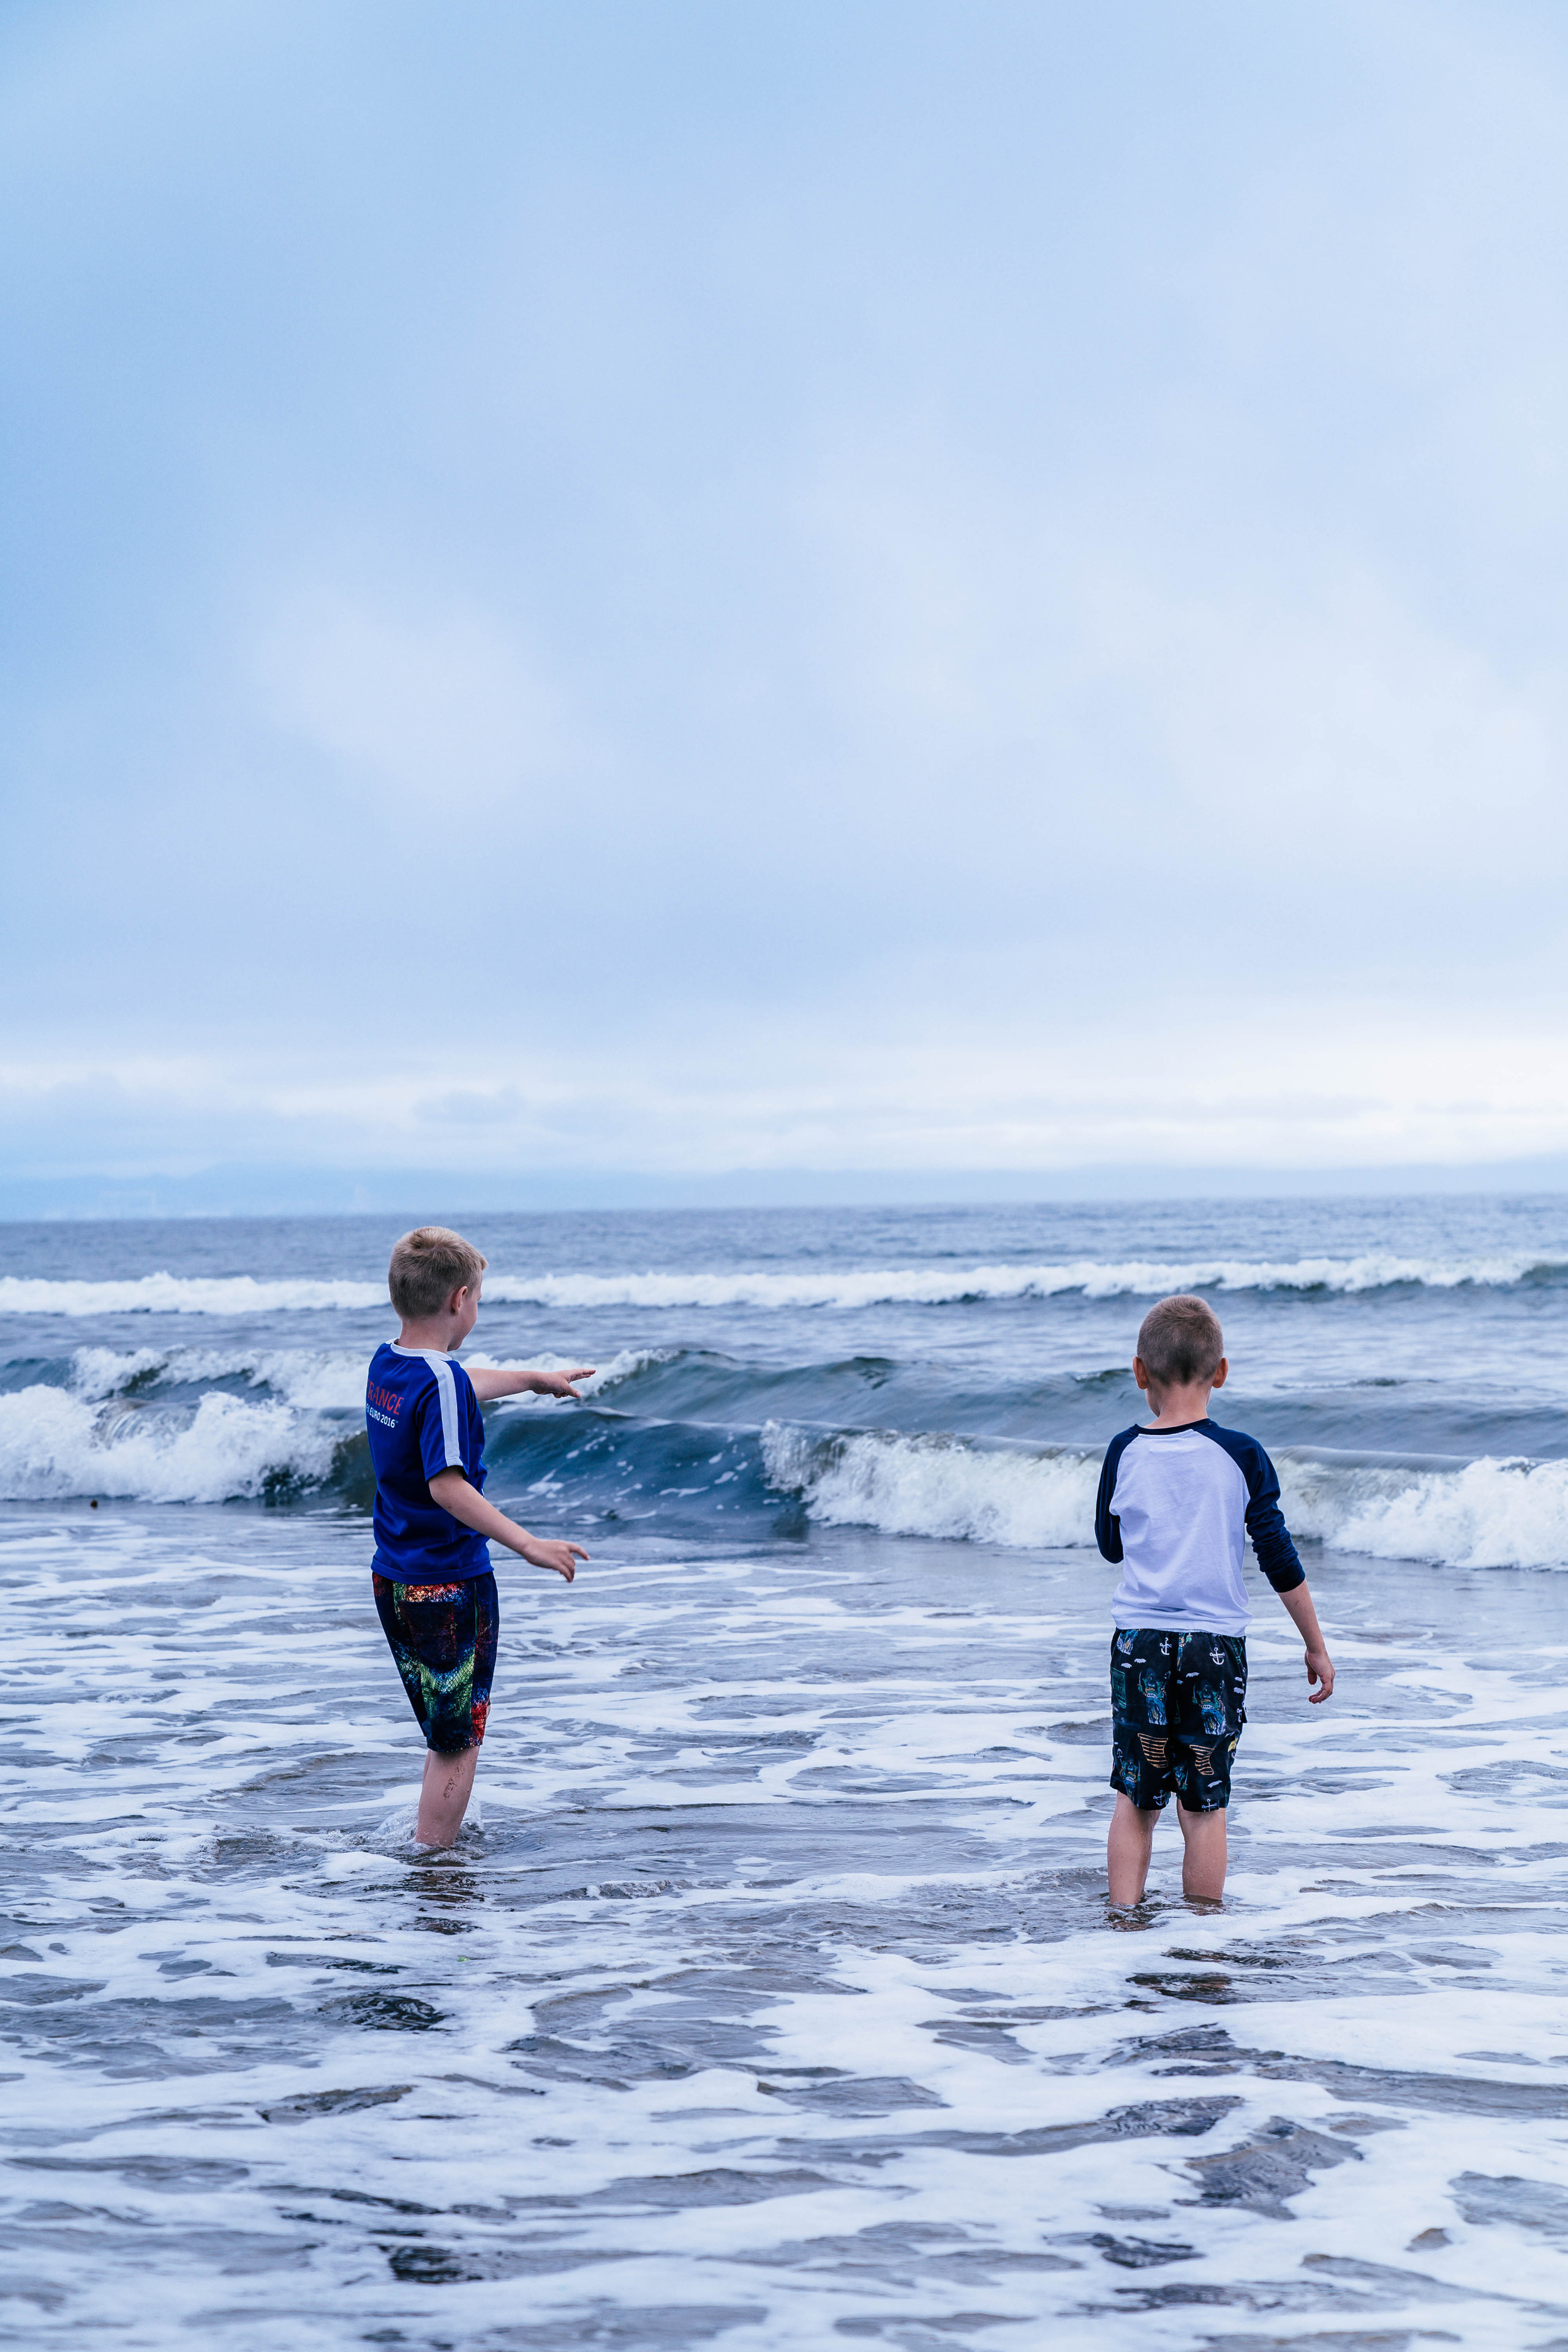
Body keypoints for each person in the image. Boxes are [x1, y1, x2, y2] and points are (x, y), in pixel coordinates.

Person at [1093, 1292, 1333, 1905]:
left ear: (1139, 1371)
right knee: (1203, 1807)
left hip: (1139, 1646)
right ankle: (1202, 1946)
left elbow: (1110, 1546)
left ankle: (1122, 1925)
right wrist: (1315, 1646)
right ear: (1220, 1372)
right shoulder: (1243, 1455)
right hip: (1214, 1650)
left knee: (1135, 1799)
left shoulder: (1125, 1451)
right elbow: (1277, 1556)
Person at [364, 1224, 594, 1849]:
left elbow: (456, 1382)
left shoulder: (391, 1362)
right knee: (458, 1740)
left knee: (445, 1733)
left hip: (396, 1577)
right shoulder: (439, 1381)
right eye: (481, 1299)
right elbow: (447, 1485)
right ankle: (434, 1869)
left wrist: (531, 1379)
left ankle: (427, 1848)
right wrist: (527, 1544)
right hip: (447, 1582)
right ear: (460, 1300)